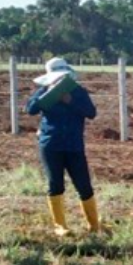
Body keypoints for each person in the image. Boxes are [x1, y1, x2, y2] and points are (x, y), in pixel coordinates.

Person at [25, 57, 100, 236]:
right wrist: (47, 94)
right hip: (50, 144)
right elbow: (30, 109)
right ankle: (60, 225)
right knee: (55, 184)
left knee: (84, 185)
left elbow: (91, 112)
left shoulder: (78, 91)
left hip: (74, 145)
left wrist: (70, 101)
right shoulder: (43, 90)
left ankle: (94, 225)